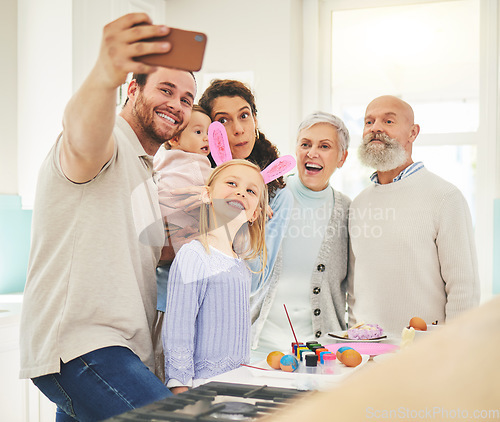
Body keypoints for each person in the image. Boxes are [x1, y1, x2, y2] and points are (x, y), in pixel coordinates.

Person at [19, 13, 197, 421]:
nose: (177, 104)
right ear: (131, 88)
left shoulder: (145, 172)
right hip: (84, 348)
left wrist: (233, 210)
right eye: (166, 89)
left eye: (187, 99)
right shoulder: (109, 143)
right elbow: (81, 133)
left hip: (117, 350)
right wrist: (104, 74)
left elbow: (160, 250)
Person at [347, 95, 480, 336]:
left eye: (388, 121)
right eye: (369, 122)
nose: (376, 127)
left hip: (425, 352)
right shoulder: (358, 204)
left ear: (413, 133)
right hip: (365, 352)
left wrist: (455, 347)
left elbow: (463, 288)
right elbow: (355, 289)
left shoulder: (445, 197)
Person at [162, 159, 268, 394]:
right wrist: (180, 389)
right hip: (201, 389)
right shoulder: (194, 255)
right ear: (207, 195)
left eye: (251, 191)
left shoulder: (241, 267)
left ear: (255, 213)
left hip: (237, 387)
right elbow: (178, 331)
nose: (240, 191)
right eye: (231, 183)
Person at [251, 111, 351, 354]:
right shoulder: (266, 196)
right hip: (258, 348)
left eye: (324, 146)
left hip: (323, 351)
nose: (312, 152)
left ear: (342, 158)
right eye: (305, 144)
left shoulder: (348, 210)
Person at [154, 104, 212, 253]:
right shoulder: (197, 162)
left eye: (209, 132)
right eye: (198, 132)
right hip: (182, 227)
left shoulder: (159, 159)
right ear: (174, 138)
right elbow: (225, 185)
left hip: (159, 226)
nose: (206, 138)